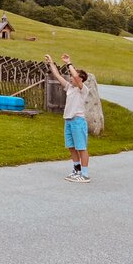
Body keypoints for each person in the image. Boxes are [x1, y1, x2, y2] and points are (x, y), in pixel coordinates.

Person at [45, 53, 91, 183]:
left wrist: (68, 63)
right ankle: (77, 170)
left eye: (73, 76)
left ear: (81, 79)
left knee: (81, 148)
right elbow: (57, 75)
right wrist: (51, 62)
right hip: (68, 121)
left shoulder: (83, 89)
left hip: (78, 121)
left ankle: (85, 174)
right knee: (71, 147)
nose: (71, 78)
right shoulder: (70, 88)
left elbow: (75, 76)